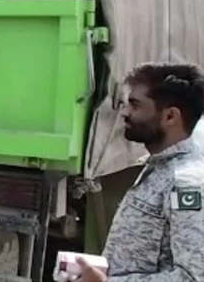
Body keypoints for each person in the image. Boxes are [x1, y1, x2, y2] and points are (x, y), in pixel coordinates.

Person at [76, 63, 204, 281]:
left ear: (170, 116)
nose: (125, 112)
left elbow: (193, 277)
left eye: (135, 105)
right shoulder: (158, 168)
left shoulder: (185, 182)